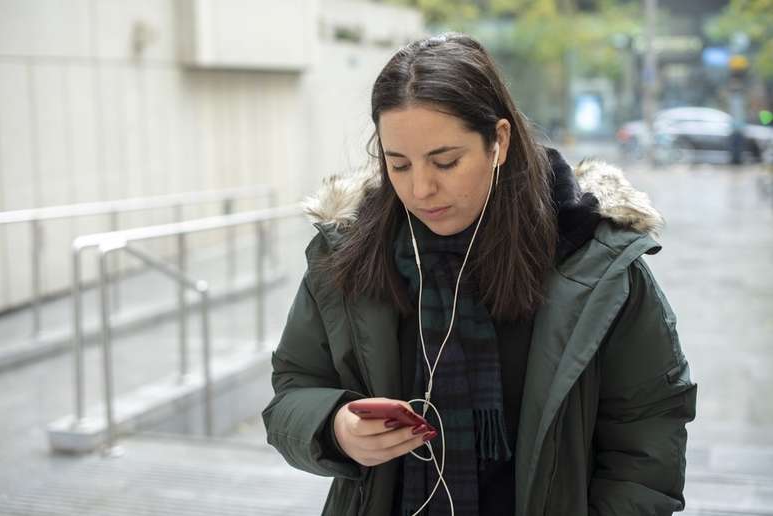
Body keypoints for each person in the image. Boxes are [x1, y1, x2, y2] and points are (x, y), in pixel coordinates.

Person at [261, 32, 697, 516]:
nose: (421, 189)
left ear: (499, 142)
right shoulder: (349, 252)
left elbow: (648, 431)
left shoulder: (594, 260)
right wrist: (335, 427)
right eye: (398, 164)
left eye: (446, 162)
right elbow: (293, 388)